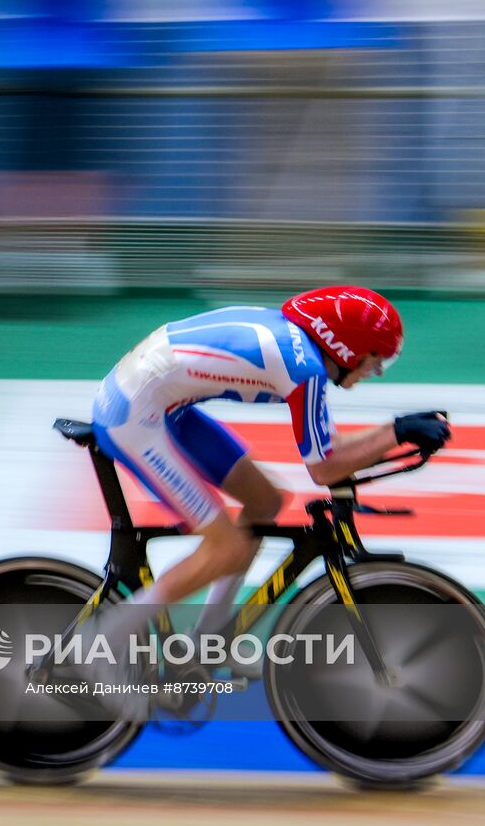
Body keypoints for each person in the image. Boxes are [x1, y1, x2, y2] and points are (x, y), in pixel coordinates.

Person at [86, 286, 450, 686]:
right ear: (348, 349)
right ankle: (103, 646)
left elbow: (327, 448)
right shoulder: (304, 369)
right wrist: (396, 431)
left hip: (160, 404)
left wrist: (397, 429)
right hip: (133, 417)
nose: (373, 372)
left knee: (265, 502)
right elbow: (324, 468)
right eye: (374, 361)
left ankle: (209, 642)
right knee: (225, 547)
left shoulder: (301, 349)